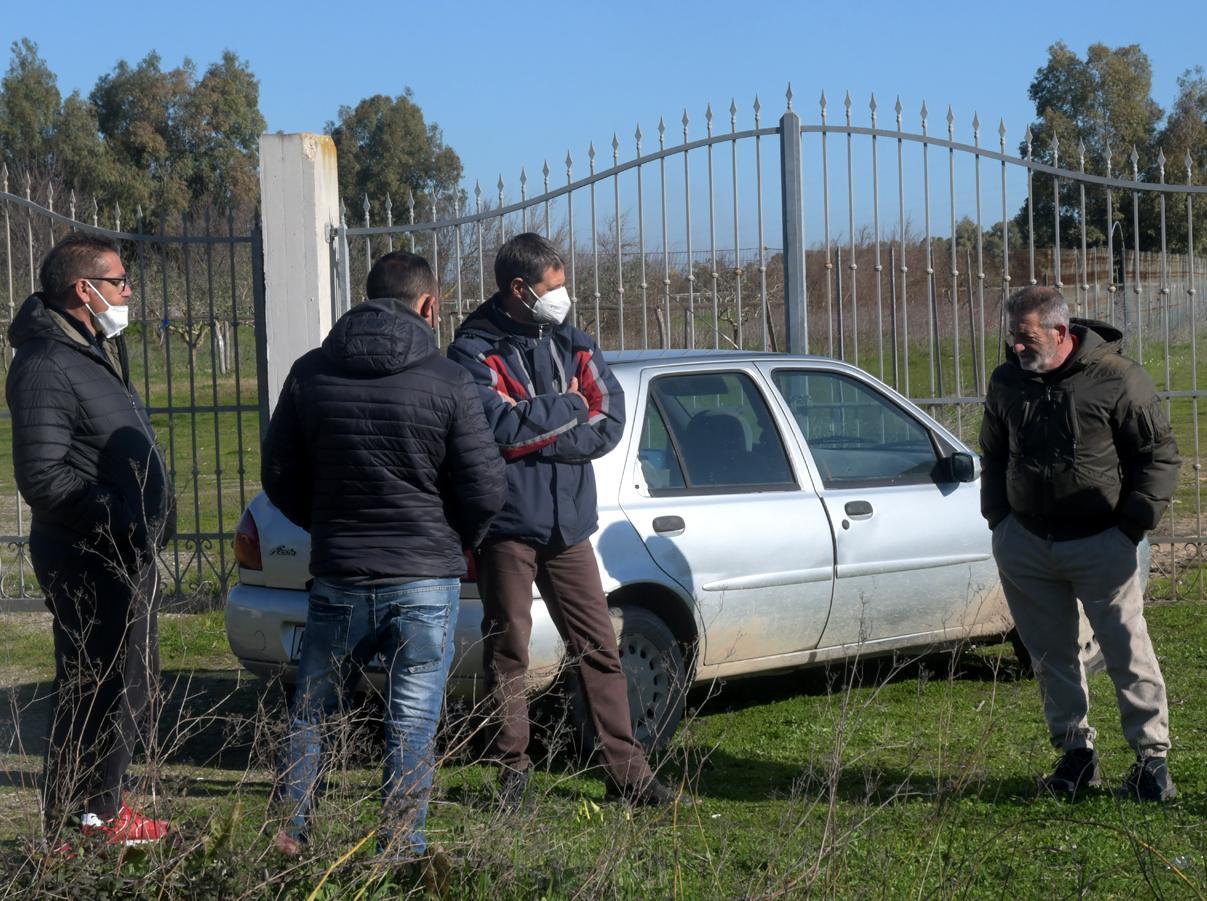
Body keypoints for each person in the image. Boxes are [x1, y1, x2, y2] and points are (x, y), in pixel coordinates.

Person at [262, 250, 505, 856]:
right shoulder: (448, 378)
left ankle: (291, 834)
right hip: (425, 576)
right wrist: (455, 539)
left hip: (340, 570)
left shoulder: (310, 372)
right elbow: (485, 487)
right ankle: (399, 844)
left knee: (313, 712)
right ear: (428, 304)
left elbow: (278, 473)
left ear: (368, 299)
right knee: (413, 717)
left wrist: (326, 524)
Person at [448, 232, 685, 808]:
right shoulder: (472, 353)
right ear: (519, 289)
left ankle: (627, 774)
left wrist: (541, 428)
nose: (564, 296)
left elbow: (609, 418)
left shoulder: (574, 342)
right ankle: (513, 775)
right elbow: (497, 431)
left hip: (569, 528)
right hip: (507, 527)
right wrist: (571, 407)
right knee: (510, 652)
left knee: (600, 646)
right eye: (554, 286)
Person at [980, 286, 1181, 802]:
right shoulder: (1007, 383)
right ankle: (1075, 753)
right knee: (1051, 655)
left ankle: (1151, 761)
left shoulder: (1117, 378)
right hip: (1026, 540)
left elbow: (1157, 456)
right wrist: (999, 520)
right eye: (1013, 337)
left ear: (1060, 332)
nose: (1017, 348)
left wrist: (1130, 528)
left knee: (1125, 649)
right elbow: (994, 454)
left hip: (1102, 541)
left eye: (1026, 338)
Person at [7, 232, 175, 845]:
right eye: (119, 282)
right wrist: (124, 519)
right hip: (88, 556)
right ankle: (88, 820)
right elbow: (45, 477)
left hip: (119, 555)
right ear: (85, 290)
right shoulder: (48, 363)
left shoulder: (87, 350)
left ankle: (97, 811)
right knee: (95, 687)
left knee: (122, 684)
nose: (128, 292)